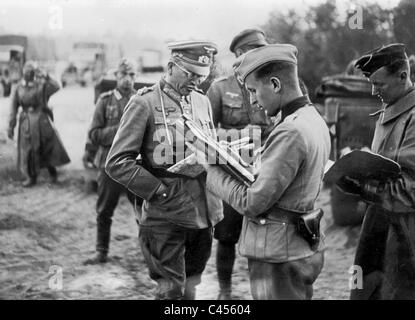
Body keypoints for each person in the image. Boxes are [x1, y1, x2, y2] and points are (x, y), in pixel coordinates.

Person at [193, 44, 331, 299]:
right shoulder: (312, 118)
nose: (254, 101)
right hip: (300, 245)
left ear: (276, 84)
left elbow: (252, 202)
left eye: (255, 91)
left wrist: (210, 172)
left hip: (279, 252)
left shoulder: (289, 132)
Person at [105, 41, 223, 300]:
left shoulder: (202, 102)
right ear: (171, 66)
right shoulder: (144, 103)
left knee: (192, 283)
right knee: (170, 290)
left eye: (201, 77)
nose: (195, 81)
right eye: (190, 74)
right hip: (165, 213)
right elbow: (117, 162)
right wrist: (158, 191)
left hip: (204, 211)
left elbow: (210, 147)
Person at [337, 44, 415, 300]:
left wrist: (363, 187)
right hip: (379, 220)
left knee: (396, 292)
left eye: (379, 84)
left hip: (405, 231)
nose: (373, 90)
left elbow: (410, 189)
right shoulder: (389, 109)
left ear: (403, 76)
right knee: (367, 289)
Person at [206, 27, 269, 300]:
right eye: (256, 51)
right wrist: (242, 136)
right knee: (227, 236)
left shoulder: (270, 83)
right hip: (233, 173)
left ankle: (263, 293)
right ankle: (225, 292)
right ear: (241, 54)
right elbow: (203, 134)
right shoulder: (220, 88)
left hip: (266, 170)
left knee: (266, 237)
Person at [83, 59, 140, 265]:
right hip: (110, 163)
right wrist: (120, 131)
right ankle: (101, 251)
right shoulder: (105, 101)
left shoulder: (141, 101)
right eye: (124, 75)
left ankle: (149, 252)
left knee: (143, 210)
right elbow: (94, 134)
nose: (128, 79)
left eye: (132, 75)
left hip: (135, 164)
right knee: (105, 210)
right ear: (116, 76)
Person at [7, 61, 70, 187]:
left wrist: (46, 75)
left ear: (35, 73)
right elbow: (13, 109)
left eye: (31, 72)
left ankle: (53, 175)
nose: (28, 74)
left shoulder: (41, 85)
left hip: (42, 119)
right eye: (26, 71)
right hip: (26, 122)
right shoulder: (18, 87)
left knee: (47, 146)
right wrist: (11, 126)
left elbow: (56, 86)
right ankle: (31, 177)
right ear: (23, 72)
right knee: (28, 150)